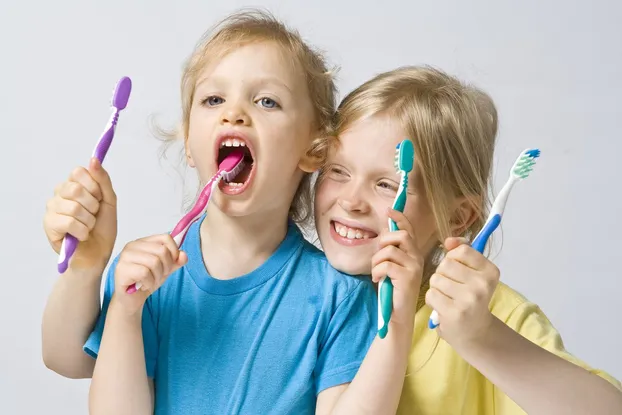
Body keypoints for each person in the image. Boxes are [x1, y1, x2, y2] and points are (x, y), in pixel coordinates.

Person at [42, 9, 377, 414]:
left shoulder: (340, 297)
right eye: (213, 99)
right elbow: (64, 359)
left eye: (267, 101)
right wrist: (99, 284)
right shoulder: (146, 277)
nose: (233, 113)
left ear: (313, 149)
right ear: (188, 141)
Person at [313, 65, 622, 414]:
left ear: (458, 218)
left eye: (386, 184)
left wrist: (482, 337)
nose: (351, 201)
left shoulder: (482, 312)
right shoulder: (298, 291)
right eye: (337, 171)